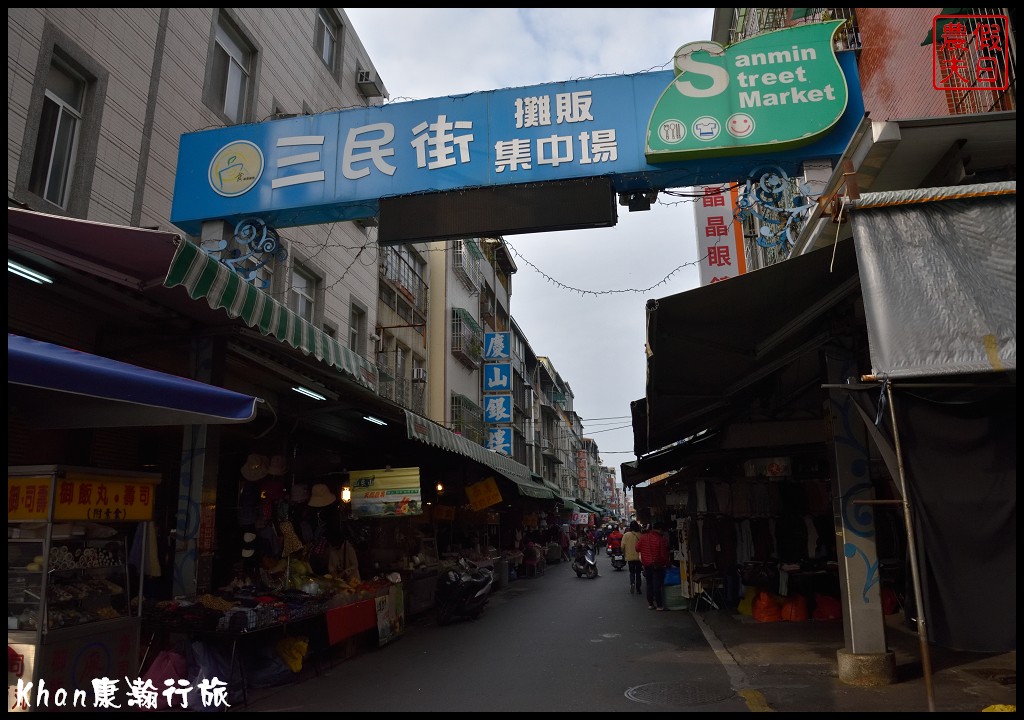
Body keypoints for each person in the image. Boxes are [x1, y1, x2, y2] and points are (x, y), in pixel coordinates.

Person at [637, 521, 671, 610]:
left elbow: (637, 548)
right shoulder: (660, 539)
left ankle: (651, 604)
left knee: (649, 584)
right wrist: (667, 563)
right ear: (660, 529)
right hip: (657, 565)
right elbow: (663, 555)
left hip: (647, 564)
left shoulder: (643, 537)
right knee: (657, 585)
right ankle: (659, 605)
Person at [621, 521, 643, 595]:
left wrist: (624, 553)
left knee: (632, 572)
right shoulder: (640, 535)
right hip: (639, 557)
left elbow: (622, 546)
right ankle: (638, 588)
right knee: (638, 573)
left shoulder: (626, 535)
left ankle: (632, 583)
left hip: (630, 557)